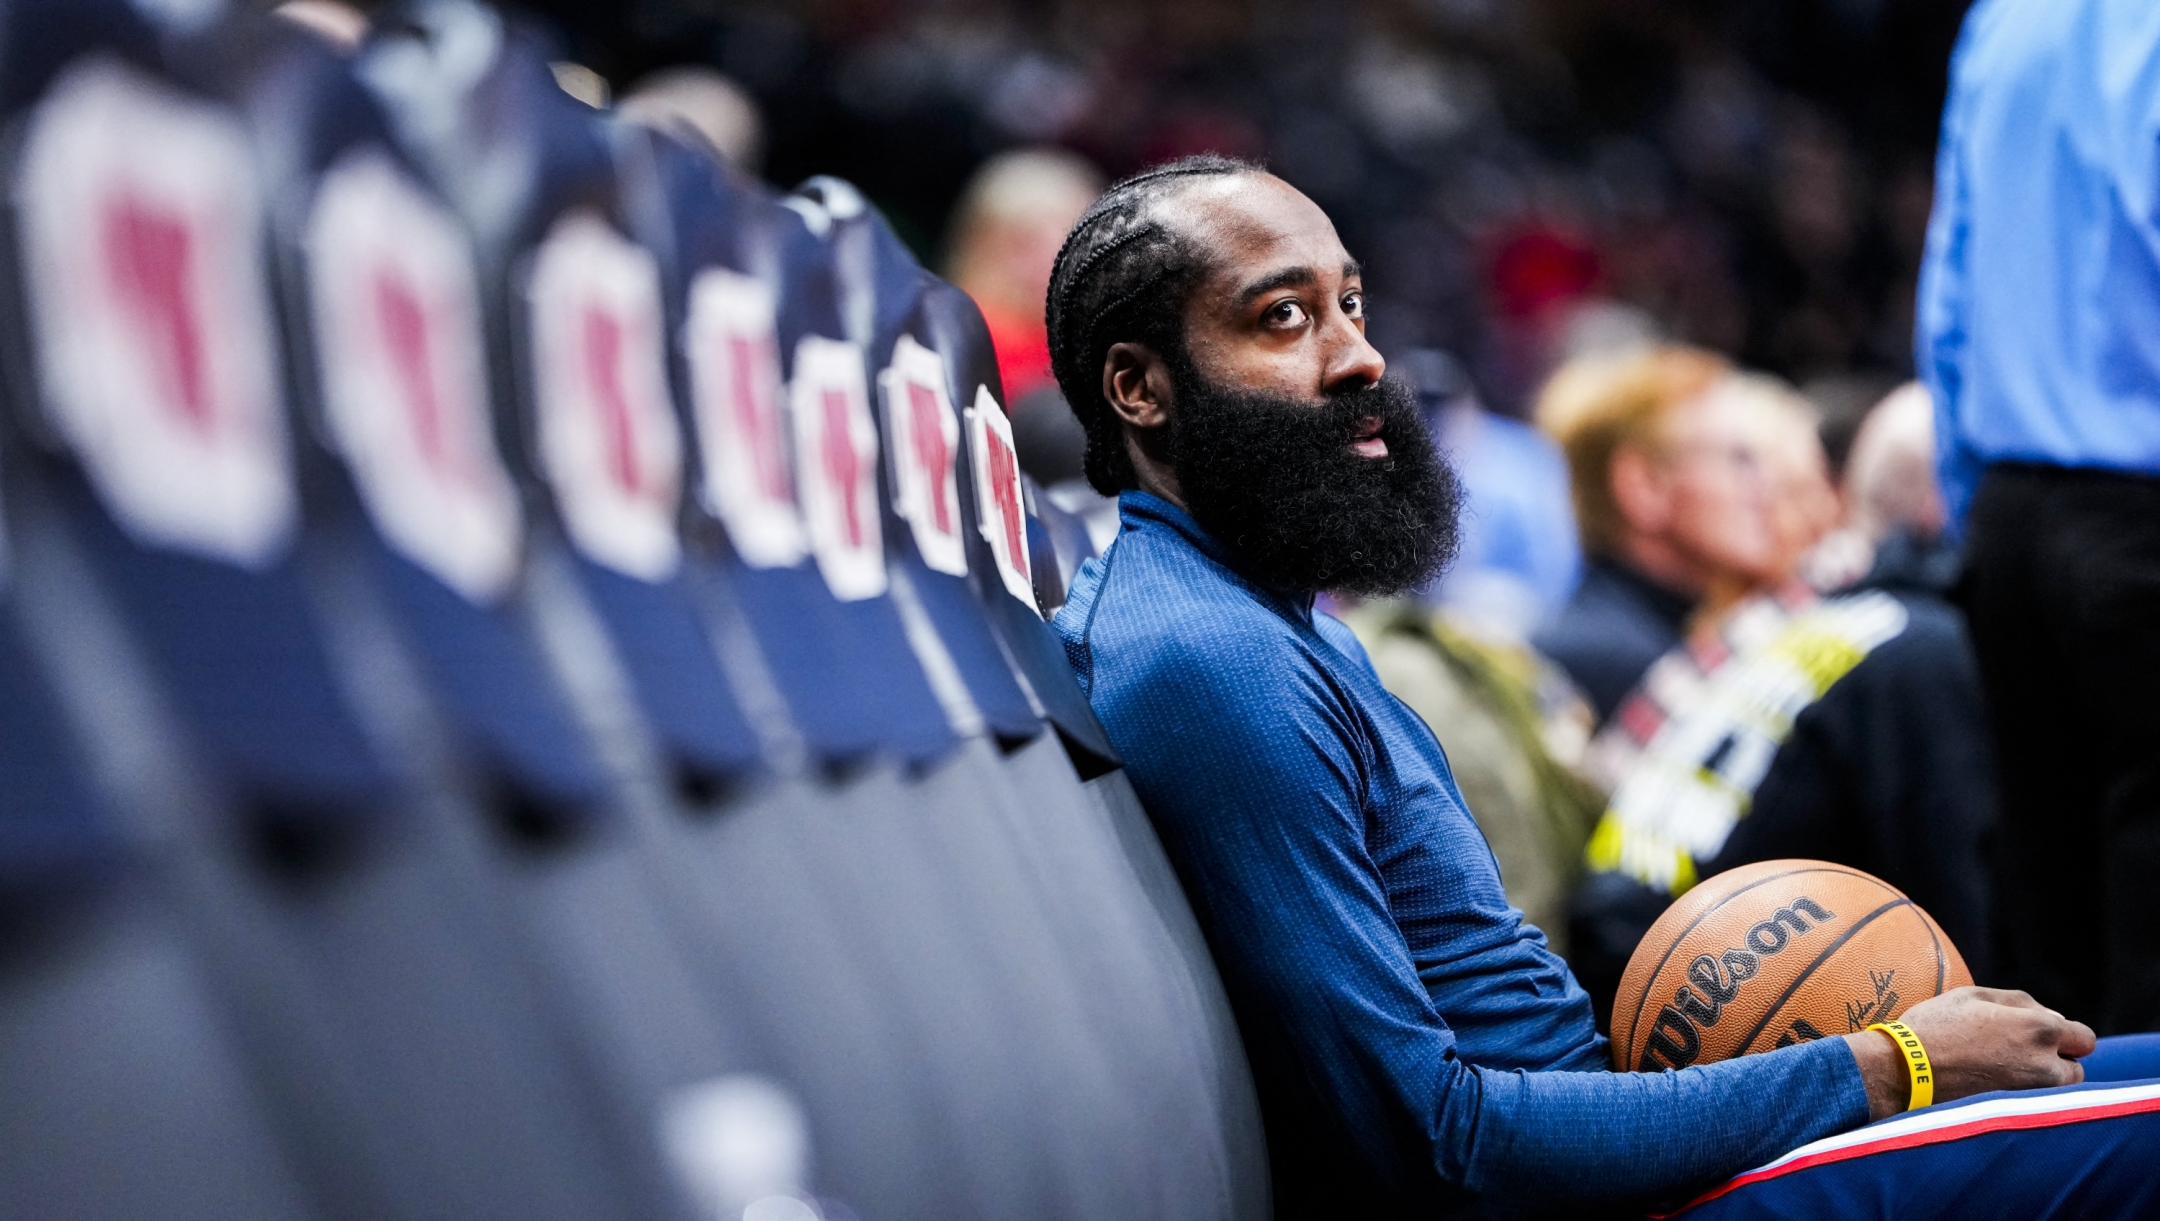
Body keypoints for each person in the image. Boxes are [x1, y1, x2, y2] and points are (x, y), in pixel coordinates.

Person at [1047, 155, 2154, 1217]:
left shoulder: (1250, 616)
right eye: (1282, 317)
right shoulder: (1205, 657)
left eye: (1352, 303)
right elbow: (1432, 1148)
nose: (1359, 356)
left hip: (1617, 1137)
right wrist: (1892, 1063)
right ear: (1139, 388)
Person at [1917, 0, 2160, 1036]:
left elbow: (1950, 290)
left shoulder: (2007, 18)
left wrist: (1978, 506)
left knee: (2058, 949)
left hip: (2014, 517)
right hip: (2140, 516)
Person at [1529, 347, 1769, 725]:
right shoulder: (1615, 663)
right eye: (1737, 459)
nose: (1763, 489)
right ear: (1644, 485)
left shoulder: (1651, 641)